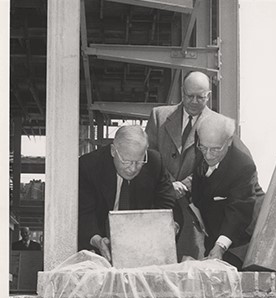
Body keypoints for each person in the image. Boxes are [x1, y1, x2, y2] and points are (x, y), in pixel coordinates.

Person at [78, 125, 178, 263]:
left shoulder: (155, 162)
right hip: (100, 243)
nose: (132, 169)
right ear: (113, 151)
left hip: (142, 244)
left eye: (138, 162)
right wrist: (97, 240)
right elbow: (84, 213)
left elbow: (168, 204)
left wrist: (169, 225)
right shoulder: (89, 166)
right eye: (126, 162)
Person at [145, 71, 213, 257]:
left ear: (209, 95)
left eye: (200, 97)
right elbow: (148, 156)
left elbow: (213, 164)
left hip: (194, 207)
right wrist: (168, 183)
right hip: (159, 202)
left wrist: (185, 184)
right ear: (182, 92)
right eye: (189, 96)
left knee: (191, 262)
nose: (193, 101)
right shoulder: (158, 116)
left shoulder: (218, 124)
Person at [191, 112, 264, 270]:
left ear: (229, 141)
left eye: (215, 150)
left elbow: (239, 211)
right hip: (214, 232)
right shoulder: (203, 149)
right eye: (203, 148)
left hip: (240, 240)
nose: (208, 155)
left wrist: (220, 246)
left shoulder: (243, 166)